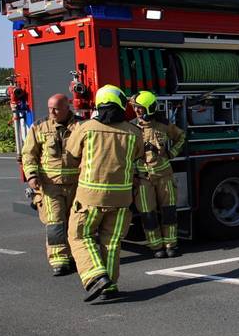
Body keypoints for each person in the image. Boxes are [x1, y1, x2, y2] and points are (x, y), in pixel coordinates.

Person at [64, 85, 145, 301]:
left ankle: (95, 277)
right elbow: (138, 158)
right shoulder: (134, 132)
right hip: (122, 199)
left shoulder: (85, 128)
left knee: (80, 235)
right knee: (112, 241)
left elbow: (70, 156)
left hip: (89, 198)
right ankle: (109, 286)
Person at [20, 93, 80, 276]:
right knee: (55, 223)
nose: (52, 112)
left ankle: (74, 257)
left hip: (77, 185)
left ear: (67, 108)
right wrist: (31, 175)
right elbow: (29, 154)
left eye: (56, 109)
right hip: (50, 186)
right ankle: (59, 260)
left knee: (75, 223)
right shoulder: (39, 127)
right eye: (49, 109)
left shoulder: (81, 126)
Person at [131, 90, 186, 258]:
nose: (137, 111)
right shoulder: (131, 127)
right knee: (148, 214)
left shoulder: (163, 125)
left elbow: (181, 136)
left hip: (164, 175)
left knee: (169, 211)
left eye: (140, 108)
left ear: (149, 108)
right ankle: (156, 247)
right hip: (142, 179)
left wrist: (171, 154)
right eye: (135, 108)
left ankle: (171, 245)